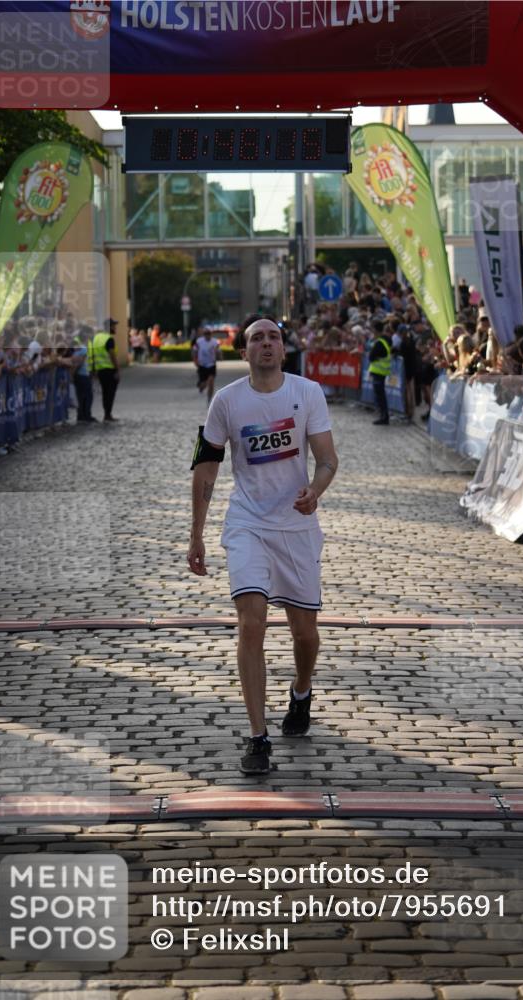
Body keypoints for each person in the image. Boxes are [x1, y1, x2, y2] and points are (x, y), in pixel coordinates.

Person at [187, 318, 338, 776]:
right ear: (244, 351)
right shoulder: (226, 402)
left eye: (273, 337)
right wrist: (196, 533)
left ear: (284, 349)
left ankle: (302, 689)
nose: (266, 343)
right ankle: (258, 737)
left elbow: (328, 459)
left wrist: (316, 488)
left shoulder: (308, 392)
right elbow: (206, 468)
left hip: (296, 527)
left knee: (304, 635)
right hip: (247, 523)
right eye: (257, 338)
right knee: (252, 623)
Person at [90, 318, 120, 422]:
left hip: (100, 369)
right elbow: (112, 355)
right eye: (114, 325)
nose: (115, 328)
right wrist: (117, 369)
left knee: (104, 392)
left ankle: (106, 414)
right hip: (109, 369)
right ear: (110, 327)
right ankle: (108, 414)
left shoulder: (96, 338)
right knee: (110, 393)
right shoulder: (108, 339)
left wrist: (93, 369)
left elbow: (92, 354)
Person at [368, 320, 393, 425]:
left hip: (378, 372)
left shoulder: (379, 343)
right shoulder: (386, 340)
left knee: (380, 396)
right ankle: (383, 415)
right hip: (382, 372)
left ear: (375, 330)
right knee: (381, 395)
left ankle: (384, 417)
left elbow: (371, 357)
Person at [192, 327, 221, 404]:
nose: (207, 335)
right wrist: (195, 360)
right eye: (205, 334)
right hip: (202, 365)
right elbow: (194, 351)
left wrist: (219, 356)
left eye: (209, 334)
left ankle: (209, 399)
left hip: (211, 365)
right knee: (203, 384)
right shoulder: (199, 341)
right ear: (203, 334)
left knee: (211, 382)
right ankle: (201, 387)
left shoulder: (215, 342)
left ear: (211, 334)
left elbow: (218, 351)